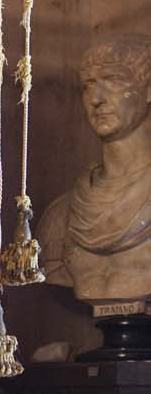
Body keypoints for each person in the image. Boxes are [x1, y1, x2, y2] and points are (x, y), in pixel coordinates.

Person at [37, 35, 151, 304]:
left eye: (113, 80)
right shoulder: (60, 217)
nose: (96, 99)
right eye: (88, 86)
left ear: (148, 90)